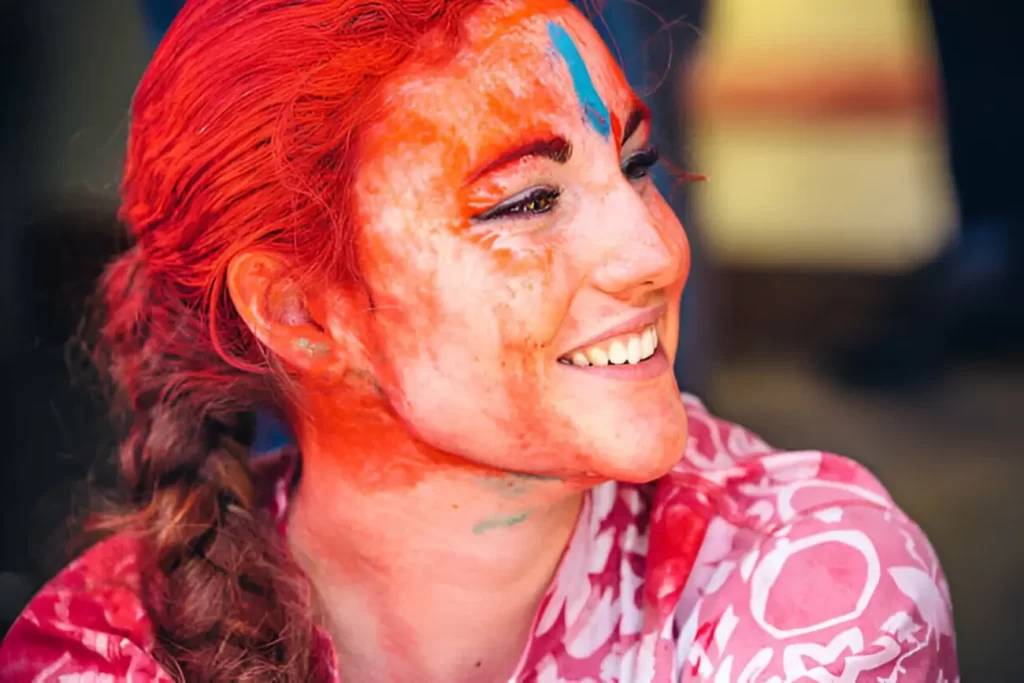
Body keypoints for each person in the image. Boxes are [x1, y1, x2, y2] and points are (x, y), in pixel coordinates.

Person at [0, 0, 957, 681]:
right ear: (300, 313)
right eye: (528, 201)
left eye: (635, 163)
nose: (657, 249)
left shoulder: (814, 587)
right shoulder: (101, 650)